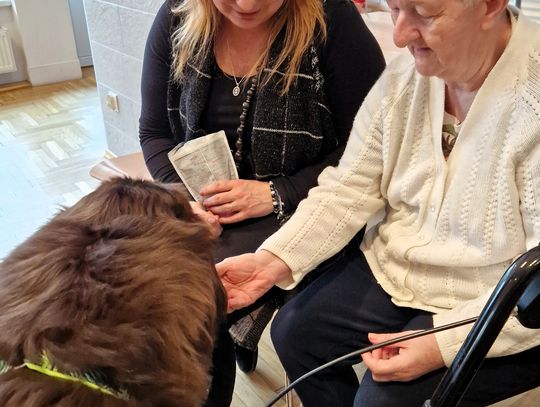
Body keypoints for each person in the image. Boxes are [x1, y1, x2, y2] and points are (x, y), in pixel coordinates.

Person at [216, 0, 540, 406]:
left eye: (424, 14)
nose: (400, 36)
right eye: (395, 9)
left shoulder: (532, 99)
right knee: (295, 333)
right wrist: (271, 261)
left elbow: (535, 286)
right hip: (402, 268)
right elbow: (350, 186)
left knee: (381, 400)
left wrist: (443, 345)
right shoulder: (404, 79)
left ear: (490, 5)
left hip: (498, 298)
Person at [139, 0, 385, 404]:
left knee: (195, 303)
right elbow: (154, 132)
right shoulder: (177, 17)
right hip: (207, 208)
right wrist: (183, 199)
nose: (247, 5)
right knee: (139, 289)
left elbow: (370, 146)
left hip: (311, 204)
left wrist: (278, 192)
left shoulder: (330, 19)